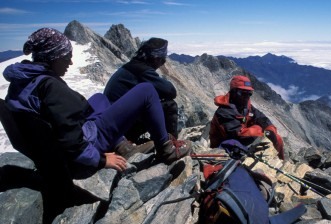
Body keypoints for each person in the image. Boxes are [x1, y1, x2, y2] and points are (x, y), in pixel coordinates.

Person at [3, 28, 192, 174]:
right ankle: (166, 149)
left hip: (57, 149)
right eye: (67, 57)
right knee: (147, 90)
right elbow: (71, 142)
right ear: (53, 58)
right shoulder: (51, 88)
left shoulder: (23, 81)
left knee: (99, 99)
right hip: (87, 145)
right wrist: (101, 160)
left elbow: (57, 125)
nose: (69, 63)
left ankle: (122, 146)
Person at [104, 37, 179, 142]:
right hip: (122, 128)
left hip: (114, 125)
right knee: (170, 106)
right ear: (156, 58)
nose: (163, 62)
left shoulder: (132, 66)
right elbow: (170, 91)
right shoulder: (142, 70)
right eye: (163, 59)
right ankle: (169, 145)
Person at [209, 75, 284, 160]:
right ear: (233, 92)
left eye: (249, 94)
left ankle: (280, 161)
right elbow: (237, 134)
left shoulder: (246, 106)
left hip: (245, 139)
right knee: (254, 136)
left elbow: (261, 118)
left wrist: (270, 130)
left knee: (277, 138)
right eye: (243, 93)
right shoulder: (224, 111)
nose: (246, 97)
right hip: (224, 145)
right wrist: (261, 132)